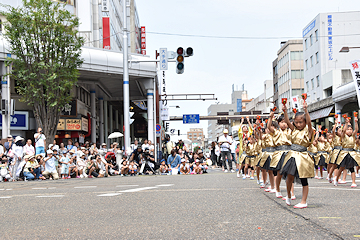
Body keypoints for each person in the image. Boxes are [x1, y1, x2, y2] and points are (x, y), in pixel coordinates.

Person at [280, 101, 314, 208]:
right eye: (296, 122)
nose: (298, 124)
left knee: (304, 179)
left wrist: (306, 111)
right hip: (292, 155)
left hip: (303, 156)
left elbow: (309, 123)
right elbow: (287, 121)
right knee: (289, 177)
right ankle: (289, 194)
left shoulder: (308, 131)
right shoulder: (293, 129)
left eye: (301, 122)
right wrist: (285, 111)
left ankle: (304, 201)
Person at [334, 116, 359, 187]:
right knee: (341, 167)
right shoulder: (343, 136)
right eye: (348, 129)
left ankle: (353, 182)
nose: (350, 131)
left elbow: (356, 130)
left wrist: (356, 122)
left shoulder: (353, 136)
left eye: (351, 129)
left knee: (351, 168)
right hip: (344, 153)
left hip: (351, 153)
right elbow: (344, 131)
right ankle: (336, 179)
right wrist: (346, 123)